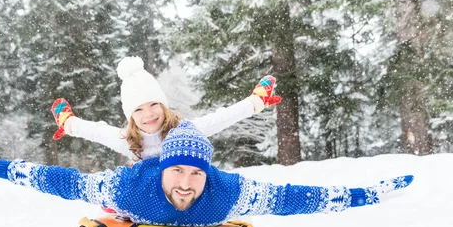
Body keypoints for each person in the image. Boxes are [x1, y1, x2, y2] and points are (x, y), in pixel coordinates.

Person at [0, 121, 413, 227]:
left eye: (195, 173)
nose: (186, 182)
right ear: (161, 168)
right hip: (129, 212)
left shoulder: (230, 192)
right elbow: (50, 178)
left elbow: (299, 196)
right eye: (177, 171)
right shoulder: (127, 185)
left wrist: (369, 194)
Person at [50, 56, 281, 162]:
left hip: (180, 192)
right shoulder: (126, 140)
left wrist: (255, 102)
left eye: (153, 105)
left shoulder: (183, 131)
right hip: (147, 195)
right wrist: (68, 122)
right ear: (130, 117)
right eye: (138, 110)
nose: (148, 114)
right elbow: (96, 131)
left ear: (163, 106)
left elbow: (219, 119)